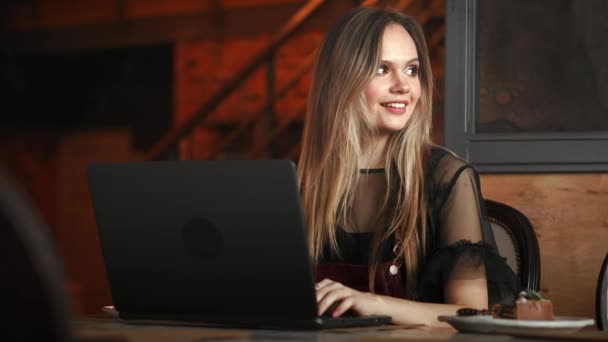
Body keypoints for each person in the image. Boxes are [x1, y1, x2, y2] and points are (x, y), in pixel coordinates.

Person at [296, 7, 521, 326]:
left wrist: (370, 302)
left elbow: (472, 314)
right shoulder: (301, 183)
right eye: (382, 69)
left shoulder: (447, 177)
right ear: (340, 80)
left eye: (412, 70)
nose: (403, 86)